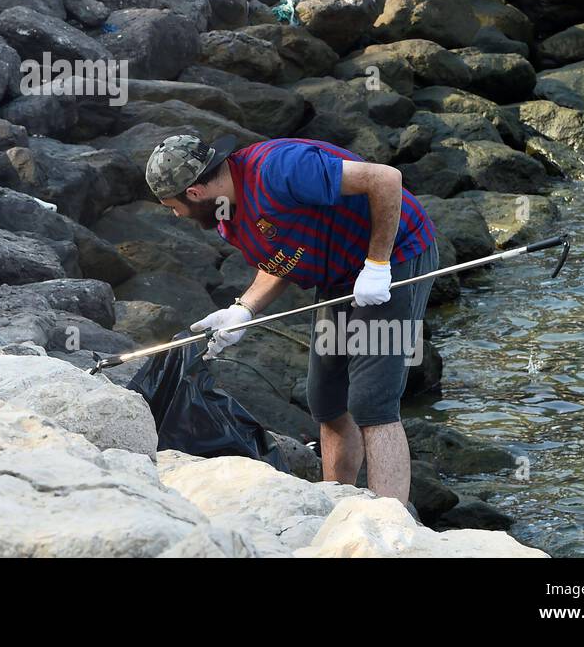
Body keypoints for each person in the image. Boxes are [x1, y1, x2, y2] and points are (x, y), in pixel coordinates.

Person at [144, 133, 438, 505]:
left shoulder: (281, 170)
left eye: (172, 207)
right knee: (326, 401)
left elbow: (385, 179)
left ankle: (390, 524)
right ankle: (338, 503)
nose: (176, 215)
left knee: (371, 403)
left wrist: (377, 265)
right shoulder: (227, 213)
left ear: (194, 192)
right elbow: (284, 258)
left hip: (395, 257)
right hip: (340, 275)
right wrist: (243, 310)